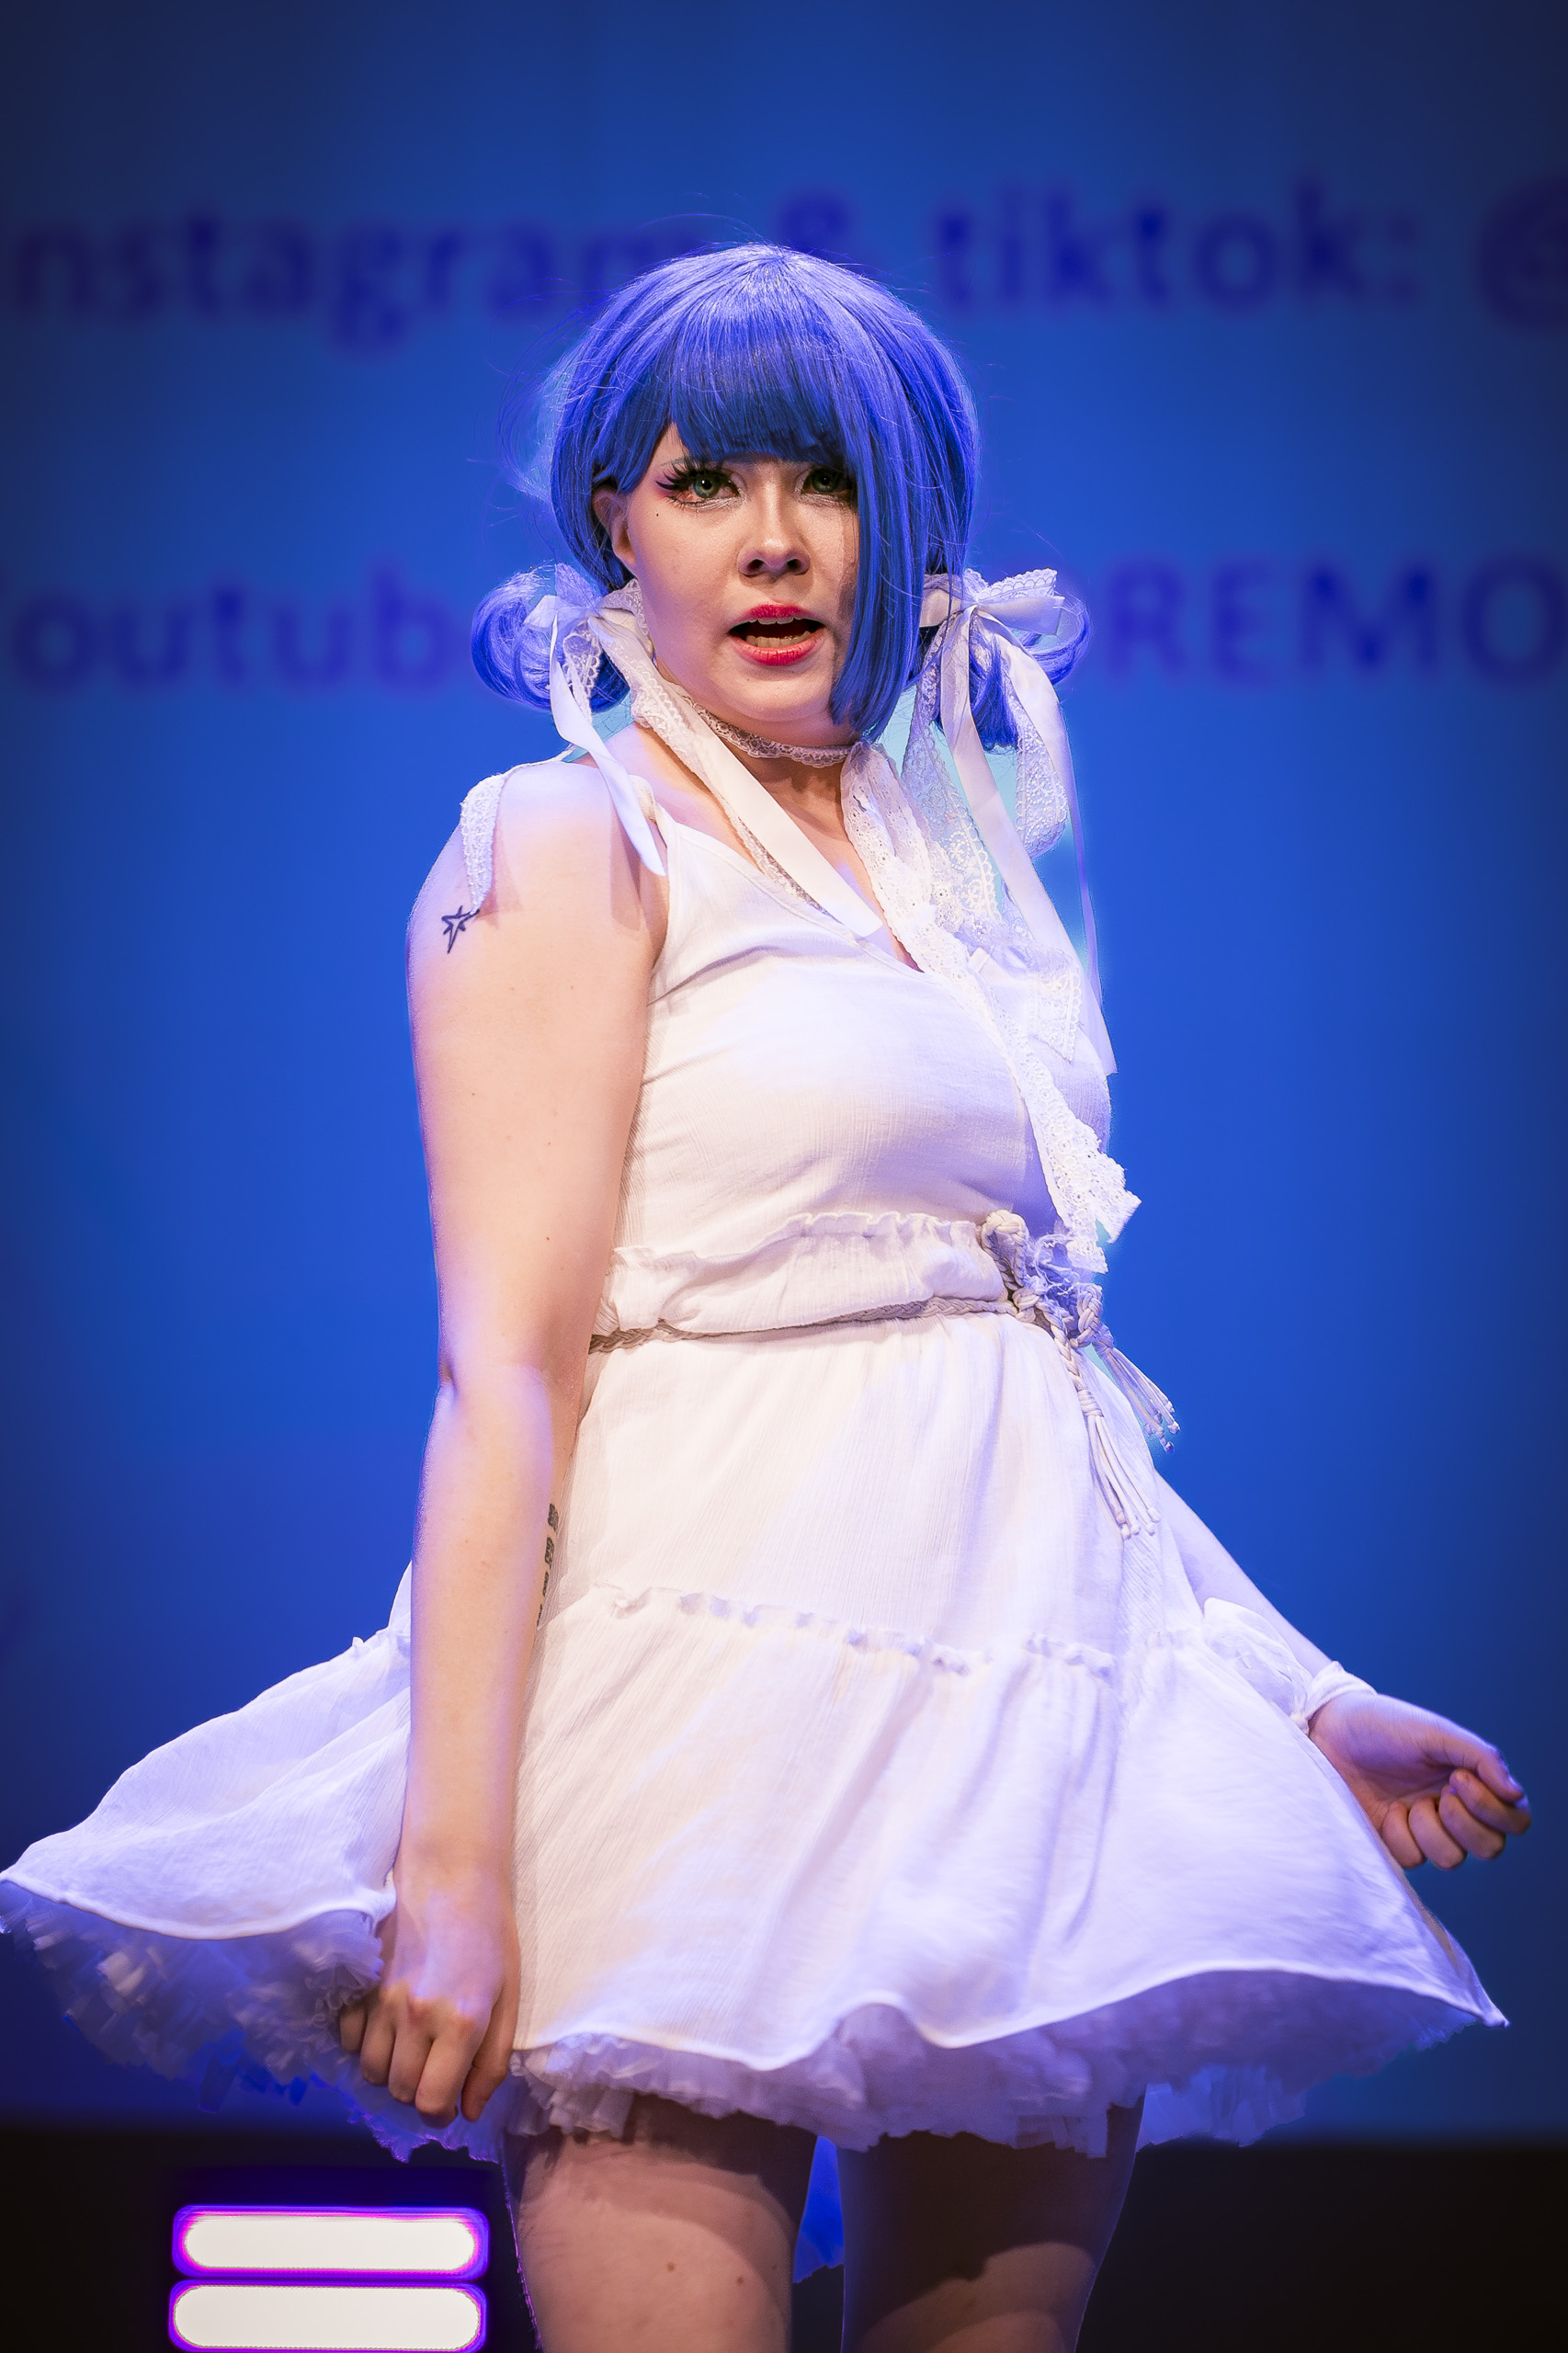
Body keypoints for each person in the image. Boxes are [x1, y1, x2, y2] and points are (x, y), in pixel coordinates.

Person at [1, 244, 1530, 2353]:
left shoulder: (962, 872)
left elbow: (1028, 1362)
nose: (777, 538)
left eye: (828, 478)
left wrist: (1292, 1687)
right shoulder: (568, 841)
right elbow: (503, 1372)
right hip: (689, 1713)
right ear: (614, 521)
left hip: (1005, 1738)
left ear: (914, 519)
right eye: (706, 481)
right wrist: (455, 1861)